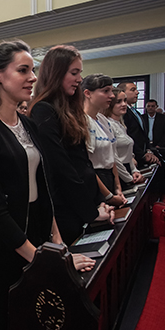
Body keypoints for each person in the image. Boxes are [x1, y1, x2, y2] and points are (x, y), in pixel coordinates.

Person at [0, 41, 95, 330]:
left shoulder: (27, 124)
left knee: (20, 329)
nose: (32, 77)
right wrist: (42, 260)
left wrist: (59, 248)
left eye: (32, 70)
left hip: (29, 238)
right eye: (23, 70)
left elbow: (44, 191)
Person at [29, 45, 114, 245]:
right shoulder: (43, 109)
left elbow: (83, 163)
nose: (79, 79)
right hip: (66, 205)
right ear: (56, 73)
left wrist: (98, 202)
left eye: (80, 73)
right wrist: (91, 212)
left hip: (83, 200)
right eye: (73, 73)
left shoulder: (69, 108)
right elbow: (60, 167)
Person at [82, 74, 127, 207]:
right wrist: (108, 196)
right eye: (106, 91)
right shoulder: (82, 121)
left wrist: (118, 188)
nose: (112, 96)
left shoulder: (103, 120)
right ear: (88, 93)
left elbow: (112, 157)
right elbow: (86, 165)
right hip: (95, 181)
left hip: (109, 178)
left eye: (111, 91)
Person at [104, 88, 144, 190]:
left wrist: (134, 171)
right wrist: (129, 178)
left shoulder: (121, 125)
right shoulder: (108, 125)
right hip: (118, 174)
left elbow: (129, 154)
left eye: (125, 100)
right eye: (118, 102)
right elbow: (114, 158)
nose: (124, 104)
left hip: (127, 170)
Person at [118, 82, 159, 167]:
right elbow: (128, 135)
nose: (137, 92)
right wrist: (141, 154)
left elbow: (142, 134)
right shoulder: (122, 113)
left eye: (136, 90)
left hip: (142, 153)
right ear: (122, 93)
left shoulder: (135, 112)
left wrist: (148, 150)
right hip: (132, 155)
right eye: (133, 90)